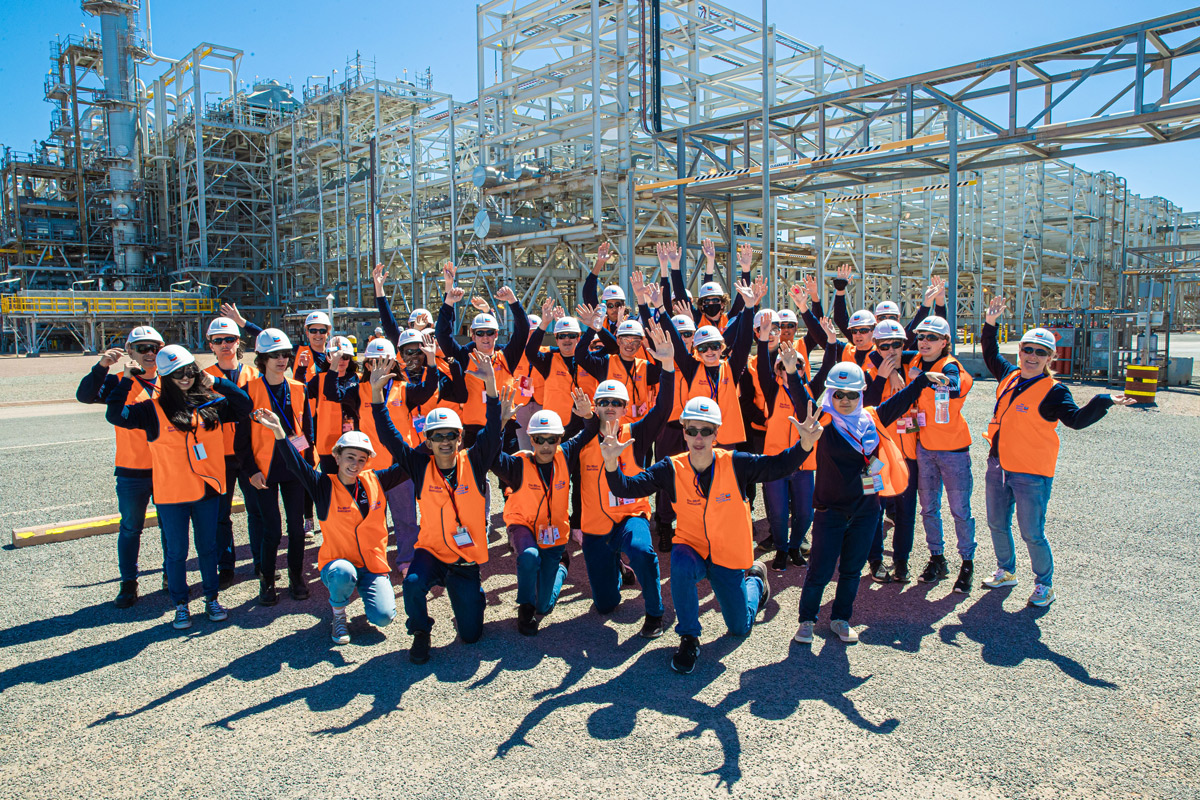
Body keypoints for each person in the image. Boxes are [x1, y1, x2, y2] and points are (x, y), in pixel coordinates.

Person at [602, 396, 821, 674]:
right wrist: (611, 464)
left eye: (706, 430)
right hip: (691, 548)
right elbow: (627, 488)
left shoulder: (736, 463)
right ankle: (689, 638)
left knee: (739, 628)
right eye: (692, 430)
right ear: (683, 431)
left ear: (717, 433)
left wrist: (804, 445)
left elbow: (776, 466)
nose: (698, 437)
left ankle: (755, 580)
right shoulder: (671, 468)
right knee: (679, 562)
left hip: (728, 555)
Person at [980, 296, 1134, 607]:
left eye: (1041, 352)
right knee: (997, 523)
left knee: (1032, 533)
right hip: (998, 465)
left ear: (1052, 357)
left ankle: (1044, 584)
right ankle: (1006, 570)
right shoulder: (1009, 376)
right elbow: (990, 352)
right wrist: (990, 323)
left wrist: (1103, 400)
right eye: (1027, 350)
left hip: (1031, 472)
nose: (1032, 356)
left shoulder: (1055, 391)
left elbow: (1075, 421)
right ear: (1020, 351)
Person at [793, 361, 948, 646]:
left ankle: (841, 619)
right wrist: (792, 373)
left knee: (852, 569)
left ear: (861, 394)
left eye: (852, 394)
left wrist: (924, 378)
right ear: (830, 393)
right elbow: (799, 397)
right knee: (820, 570)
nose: (845, 400)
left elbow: (901, 401)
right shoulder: (822, 421)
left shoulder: (872, 418)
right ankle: (807, 620)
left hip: (866, 510)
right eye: (838, 394)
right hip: (830, 510)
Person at [105, 345, 252, 630]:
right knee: (177, 552)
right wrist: (125, 379)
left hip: (207, 490)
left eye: (189, 372)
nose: (184, 378)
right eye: (176, 375)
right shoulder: (151, 409)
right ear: (165, 377)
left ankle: (211, 598)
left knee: (208, 548)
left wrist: (218, 382)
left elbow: (244, 406)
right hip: (172, 493)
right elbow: (115, 415)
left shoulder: (210, 403)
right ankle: (181, 604)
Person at [370, 351, 503, 664]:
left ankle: (472, 599)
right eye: (437, 436)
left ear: (460, 438)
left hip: (465, 557)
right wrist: (377, 396)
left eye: (451, 436)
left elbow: (493, 429)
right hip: (431, 551)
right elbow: (390, 439)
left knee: (470, 636)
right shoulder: (419, 465)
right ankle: (420, 632)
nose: (445, 442)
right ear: (427, 441)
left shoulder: (475, 461)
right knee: (413, 583)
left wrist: (492, 388)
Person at [254, 412, 403, 643]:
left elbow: (411, 461)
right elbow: (296, 465)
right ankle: (338, 615)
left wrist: (437, 439)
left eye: (361, 460)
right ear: (337, 457)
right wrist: (279, 432)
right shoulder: (323, 485)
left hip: (372, 565)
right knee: (344, 573)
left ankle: (369, 596)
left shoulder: (376, 480)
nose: (355, 464)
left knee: (383, 618)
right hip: (338, 565)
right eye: (350, 457)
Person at [575, 319, 676, 638]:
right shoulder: (582, 437)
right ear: (596, 406)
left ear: (624, 407)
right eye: (603, 402)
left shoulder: (636, 433)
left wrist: (669, 365)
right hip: (595, 526)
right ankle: (615, 568)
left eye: (616, 403)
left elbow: (663, 407)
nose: (609, 408)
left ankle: (655, 613)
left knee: (644, 552)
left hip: (630, 516)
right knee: (605, 605)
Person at [491, 396, 598, 636]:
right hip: (523, 526)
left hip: (554, 534)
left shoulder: (566, 454)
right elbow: (490, 455)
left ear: (560, 439)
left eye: (552, 440)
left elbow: (590, 430)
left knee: (545, 606)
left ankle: (562, 565)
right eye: (540, 439)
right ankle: (525, 608)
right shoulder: (517, 465)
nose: (546, 446)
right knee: (529, 557)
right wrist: (498, 424)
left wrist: (588, 414)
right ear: (531, 440)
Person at [76, 325, 166, 608]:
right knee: (130, 527)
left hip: (167, 467)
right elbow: (85, 396)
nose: (150, 353)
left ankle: (170, 575)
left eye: (155, 348)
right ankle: (129, 583)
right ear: (129, 352)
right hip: (132, 469)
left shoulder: (172, 380)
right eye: (142, 348)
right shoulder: (118, 381)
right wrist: (102, 366)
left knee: (170, 526)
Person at [237, 328, 315, 605]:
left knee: (296, 528)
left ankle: (296, 577)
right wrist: (251, 471)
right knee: (271, 529)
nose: (281, 360)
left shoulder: (299, 389)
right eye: (274, 355)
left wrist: (307, 466)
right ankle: (267, 582)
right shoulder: (249, 392)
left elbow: (306, 431)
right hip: (263, 471)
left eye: (285, 354)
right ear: (262, 358)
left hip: (294, 469)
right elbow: (241, 441)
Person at [355, 334, 439, 575]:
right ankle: (373, 559)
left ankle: (406, 559)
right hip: (370, 469)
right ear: (367, 365)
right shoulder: (356, 392)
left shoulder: (404, 390)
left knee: (406, 519)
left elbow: (428, 389)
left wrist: (431, 361)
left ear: (394, 364)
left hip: (401, 469)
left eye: (386, 361)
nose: (380, 366)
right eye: (375, 361)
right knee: (372, 519)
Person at [907, 315, 976, 592]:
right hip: (925, 447)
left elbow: (955, 386)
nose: (924, 342)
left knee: (960, 510)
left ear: (945, 342)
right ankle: (937, 558)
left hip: (953, 450)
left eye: (932, 337)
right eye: (921, 336)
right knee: (929, 509)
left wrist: (922, 379)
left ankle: (967, 562)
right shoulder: (915, 361)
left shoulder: (950, 366)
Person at [756, 331, 828, 571]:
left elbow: (827, 365)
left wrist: (831, 341)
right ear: (776, 370)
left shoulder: (809, 390)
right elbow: (761, 364)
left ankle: (795, 546)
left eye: (796, 365)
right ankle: (781, 549)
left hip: (803, 464)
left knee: (805, 513)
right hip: (776, 462)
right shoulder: (771, 388)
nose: (790, 369)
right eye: (784, 365)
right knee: (777, 514)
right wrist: (763, 338)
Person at [435, 265, 528, 446]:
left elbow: (522, 330)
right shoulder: (464, 357)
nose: (485, 337)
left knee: (512, 474)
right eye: (480, 333)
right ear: (472, 335)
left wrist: (513, 301)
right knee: (473, 475)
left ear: (496, 334)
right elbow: (442, 335)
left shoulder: (506, 357)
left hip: (505, 427)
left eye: (490, 332)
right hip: (474, 429)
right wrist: (448, 303)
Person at [202, 316, 263, 586]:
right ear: (211, 345)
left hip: (250, 454)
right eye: (218, 341)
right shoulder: (203, 377)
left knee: (257, 510)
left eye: (230, 339)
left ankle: (261, 561)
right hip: (218, 456)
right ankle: (226, 565)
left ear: (239, 342)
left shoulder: (253, 375)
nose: (225, 345)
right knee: (219, 516)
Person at [861, 319, 920, 583]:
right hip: (874, 457)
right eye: (885, 346)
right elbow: (865, 412)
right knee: (873, 509)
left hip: (908, 454)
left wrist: (897, 370)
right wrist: (884, 375)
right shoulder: (867, 372)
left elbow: (934, 350)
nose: (891, 350)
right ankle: (875, 561)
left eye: (897, 344)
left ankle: (901, 562)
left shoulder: (913, 365)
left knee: (906, 512)